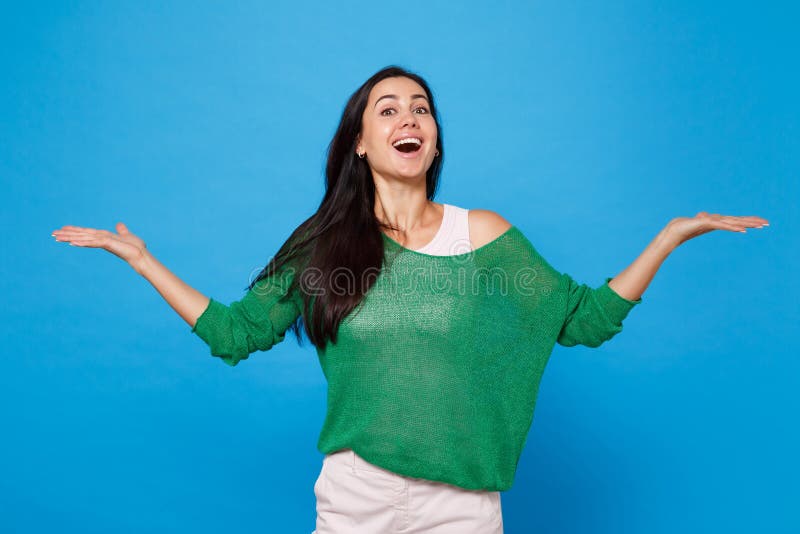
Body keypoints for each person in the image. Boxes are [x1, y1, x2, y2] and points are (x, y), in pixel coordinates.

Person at [52, 65, 769, 533]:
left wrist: (670, 237)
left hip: (461, 506)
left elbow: (582, 319)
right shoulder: (325, 249)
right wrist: (144, 262)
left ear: (432, 139)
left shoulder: (483, 240)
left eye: (420, 109)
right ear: (360, 143)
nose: (409, 118)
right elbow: (237, 333)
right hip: (355, 495)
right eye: (388, 108)